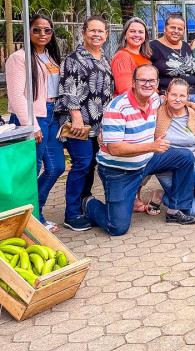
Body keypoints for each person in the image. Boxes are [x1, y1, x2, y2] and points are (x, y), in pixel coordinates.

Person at [84, 65, 195, 235]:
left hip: (146, 161)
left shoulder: (154, 100)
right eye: (142, 80)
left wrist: (193, 106)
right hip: (119, 170)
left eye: (151, 81)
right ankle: (88, 203)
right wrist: (151, 147)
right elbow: (115, 149)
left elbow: (175, 99)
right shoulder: (117, 107)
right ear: (133, 82)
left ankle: (175, 210)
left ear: (157, 83)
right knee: (117, 228)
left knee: (185, 157)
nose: (147, 84)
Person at [55, 16, 115, 232]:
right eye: (92, 31)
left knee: (90, 164)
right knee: (81, 163)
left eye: (101, 31)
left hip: (98, 125)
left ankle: (84, 201)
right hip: (79, 123)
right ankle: (71, 213)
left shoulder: (105, 58)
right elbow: (68, 88)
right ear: (83, 32)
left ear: (106, 35)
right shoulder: (73, 59)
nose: (97, 35)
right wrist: (76, 117)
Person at [6, 14, 64, 231]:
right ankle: (31, 220)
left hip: (52, 116)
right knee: (32, 170)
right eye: (37, 29)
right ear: (28, 31)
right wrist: (32, 125)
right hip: (34, 117)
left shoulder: (50, 55)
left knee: (56, 167)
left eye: (47, 30)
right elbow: (16, 95)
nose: (42, 34)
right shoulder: (19, 58)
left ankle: (33, 212)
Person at [151, 78, 195, 216]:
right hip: (168, 168)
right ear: (166, 95)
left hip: (194, 163)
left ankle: (192, 194)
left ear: (188, 97)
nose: (177, 99)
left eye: (182, 96)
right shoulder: (157, 112)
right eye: (173, 95)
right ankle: (161, 195)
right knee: (191, 211)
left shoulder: (194, 115)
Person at [149, 13, 195, 99]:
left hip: (193, 96)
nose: (176, 31)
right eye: (173, 27)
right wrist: (155, 94)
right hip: (170, 98)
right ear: (165, 29)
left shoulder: (186, 46)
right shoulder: (153, 46)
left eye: (180, 29)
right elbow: (146, 74)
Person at [111, 17, 152, 96]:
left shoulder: (145, 57)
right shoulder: (122, 57)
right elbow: (125, 90)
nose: (137, 35)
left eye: (140, 32)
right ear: (125, 35)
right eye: (132, 31)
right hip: (132, 105)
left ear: (145, 36)